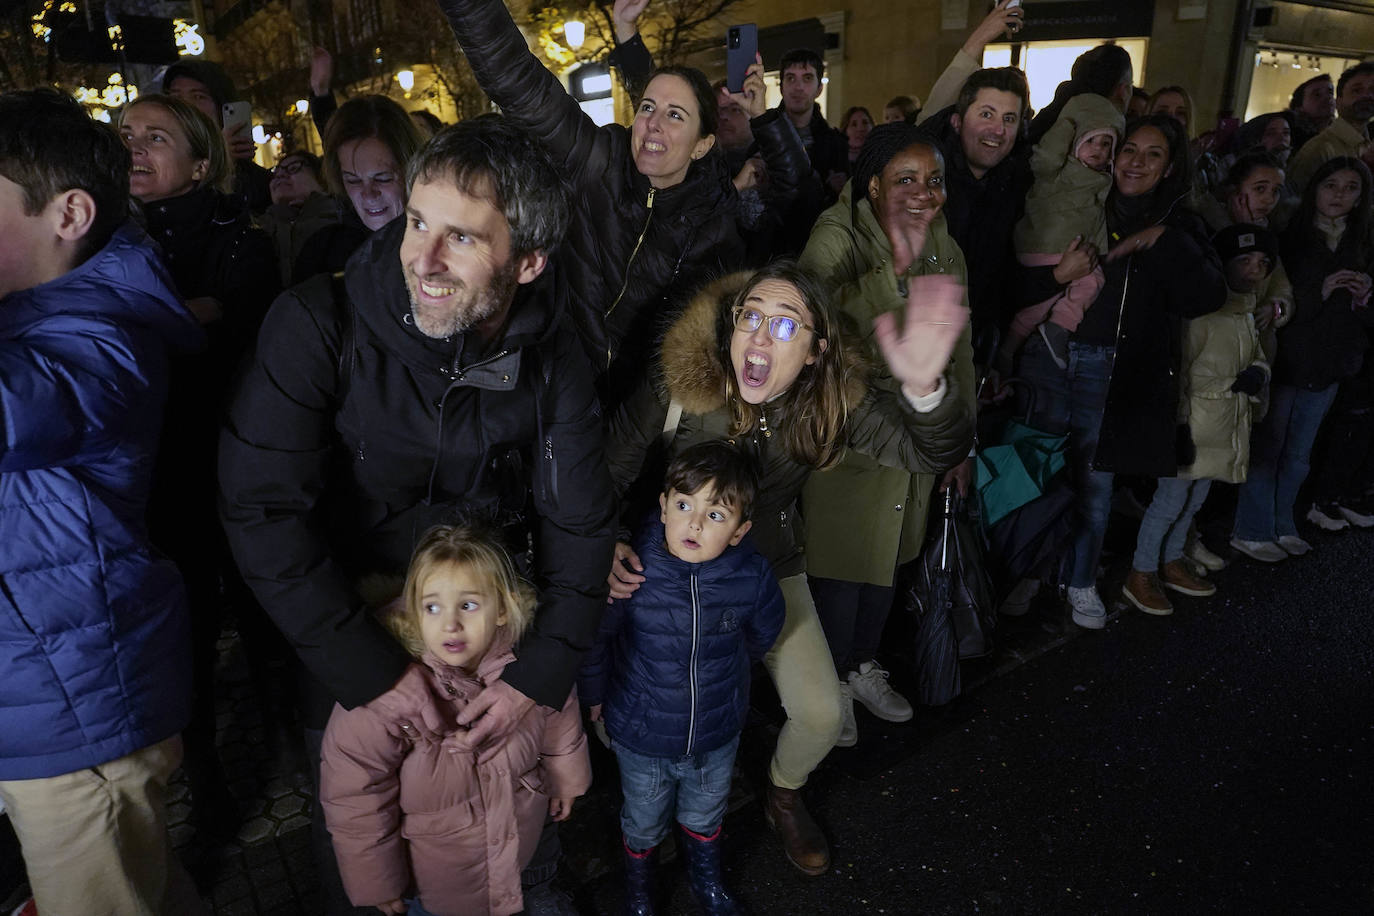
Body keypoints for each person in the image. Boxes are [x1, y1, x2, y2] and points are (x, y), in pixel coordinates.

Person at [219, 116, 616, 915]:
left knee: (510, 846)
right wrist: (370, 670)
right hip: (349, 652)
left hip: (487, 641)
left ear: (528, 262)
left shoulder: (554, 356)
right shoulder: (315, 324)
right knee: (369, 873)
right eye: (417, 221)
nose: (422, 260)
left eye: (462, 239)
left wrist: (536, 682)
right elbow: (262, 511)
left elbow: (579, 528)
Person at [604, 260, 973, 876]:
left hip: (766, 562)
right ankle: (646, 838)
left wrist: (926, 389)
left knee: (825, 714)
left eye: (783, 326)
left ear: (814, 352)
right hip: (671, 568)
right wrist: (607, 538)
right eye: (750, 317)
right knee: (650, 710)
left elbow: (932, 448)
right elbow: (611, 463)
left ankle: (782, 793)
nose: (758, 336)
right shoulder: (682, 380)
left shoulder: (830, 399)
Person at [0, 88, 205, 916]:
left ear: (69, 214)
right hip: (41, 691)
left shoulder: (102, 338)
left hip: (74, 709)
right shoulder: (31, 319)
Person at [437, 0, 771, 402]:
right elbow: (516, 80)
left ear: (702, 146)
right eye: (648, 107)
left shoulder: (715, 229)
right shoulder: (598, 160)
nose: (653, 123)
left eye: (676, 116)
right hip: (558, 391)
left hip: (634, 419)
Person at [118, 92, 282, 840]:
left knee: (261, 612)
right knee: (182, 632)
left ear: (200, 161)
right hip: (159, 472)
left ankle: (293, 745)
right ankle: (208, 778)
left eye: (156, 137)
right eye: (126, 136)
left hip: (235, 458)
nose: (135, 150)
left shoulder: (238, 234)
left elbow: (236, 313)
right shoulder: (113, 237)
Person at [797, 123, 975, 745]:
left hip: (918, 443)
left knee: (888, 568)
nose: (924, 194)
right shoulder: (836, 235)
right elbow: (808, 325)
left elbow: (960, 353)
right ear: (871, 184)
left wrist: (961, 442)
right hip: (852, 441)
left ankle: (859, 667)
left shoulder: (944, 245)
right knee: (840, 574)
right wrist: (890, 278)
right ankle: (826, 684)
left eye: (934, 181)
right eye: (905, 180)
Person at [1014, 115, 1227, 628]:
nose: (1136, 162)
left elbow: (1207, 297)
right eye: (1129, 149)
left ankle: (1081, 580)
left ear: (1170, 166)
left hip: (1113, 365)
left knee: (1096, 482)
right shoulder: (1087, 200)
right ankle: (1029, 569)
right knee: (1035, 469)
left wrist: (1165, 240)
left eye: (1153, 154)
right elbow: (1026, 272)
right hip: (1052, 351)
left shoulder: (1181, 222)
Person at [321, 524, 591, 916]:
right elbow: (354, 794)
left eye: (467, 605)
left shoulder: (529, 661)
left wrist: (567, 778)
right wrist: (377, 880)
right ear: (413, 608)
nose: (449, 624)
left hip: (514, 847)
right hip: (435, 883)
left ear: (502, 609)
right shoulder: (382, 692)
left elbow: (559, 709)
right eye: (432, 606)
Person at [579, 442, 785, 915]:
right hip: (642, 734)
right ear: (663, 505)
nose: (693, 523)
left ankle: (706, 882)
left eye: (716, 515)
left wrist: (730, 676)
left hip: (715, 734)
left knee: (705, 811)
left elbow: (763, 629)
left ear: (739, 532)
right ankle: (640, 892)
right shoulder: (632, 571)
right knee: (644, 819)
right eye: (684, 505)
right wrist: (593, 697)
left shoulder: (751, 576)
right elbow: (598, 642)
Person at [1122, 225, 1277, 614]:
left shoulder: (1244, 310)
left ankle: (1172, 561)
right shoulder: (1203, 313)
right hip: (1194, 425)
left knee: (1193, 502)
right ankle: (1140, 571)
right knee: (1169, 501)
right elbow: (1178, 372)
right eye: (1244, 260)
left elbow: (1255, 354)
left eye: (1262, 262)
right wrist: (1176, 425)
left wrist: (1258, 371)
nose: (1254, 270)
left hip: (1222, 425)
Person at [1232, 157, 1374, 560]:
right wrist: (1322, 290)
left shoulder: (1362, 239)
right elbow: (1278, 300)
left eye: (1351, 188)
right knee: (1269, 447)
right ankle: (1252, 528)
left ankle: (1283, 523)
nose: (1340, 195)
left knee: (1299, 453)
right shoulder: (1290, 235)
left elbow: (1366, 316)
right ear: (1315, 188)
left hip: (1332, 361)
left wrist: (1363, 297)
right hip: (1289, 358)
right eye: (1331, 185)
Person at [920, 65, 1032, 371]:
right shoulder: (919, 182)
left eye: (1009, 119)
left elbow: (1000, 280)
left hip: (971, 358)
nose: (998, 129)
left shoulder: (1013, 188)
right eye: (986, 114)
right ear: (957, 121)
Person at [1004, 93, 1124, 371]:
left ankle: (1019, 344)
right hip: (1045, 244)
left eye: (1106, 143)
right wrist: (1066, 126)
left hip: (1064, 247)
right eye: (1090, 141)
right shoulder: (1057, 170)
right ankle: (1055, 328)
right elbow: (1044, 158)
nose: (1098, 149)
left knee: (1042, 304)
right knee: (1086, 284)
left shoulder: (1101, 178)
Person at [294, 95, 425, 284]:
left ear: (411, 168)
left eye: (383, 178)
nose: (368, 194)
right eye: (353, 181)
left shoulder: (442, 243)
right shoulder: (323, 253)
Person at [163, 59, 273, 213]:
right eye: (176, 97)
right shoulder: (156, 167)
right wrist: (217, 159)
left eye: (198, 96)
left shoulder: (260, 182)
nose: (186, 105)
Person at [1286, 62, 1374, 196]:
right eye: (1357, 90)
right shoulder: (1320, 149)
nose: (1368, 96)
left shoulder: (1367, 145)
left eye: (1373, 90)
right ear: (1338, 101)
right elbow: (1296, 203)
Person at [259, 150, 344, 286]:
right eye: (276, 173)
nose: (280, 175)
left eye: (293, 168)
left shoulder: (344, 221)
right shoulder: (257, 228)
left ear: (321, 178)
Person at [777, 47, 850, 203]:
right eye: (790, 78)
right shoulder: (764, 136)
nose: (798, 87)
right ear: (781, 87)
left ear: (819, 89)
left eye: (807, 78)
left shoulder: (836, 145)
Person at [1288, 73, 1336, 153]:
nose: (1328, 97)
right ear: (1300, 107)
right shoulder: (1291, 137)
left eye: (1330, 92)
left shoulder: (1341, 135)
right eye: (1317, 95)